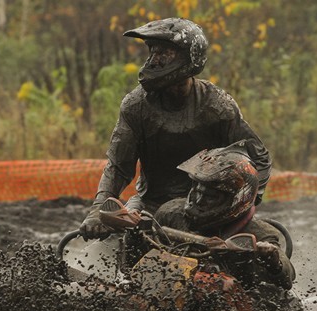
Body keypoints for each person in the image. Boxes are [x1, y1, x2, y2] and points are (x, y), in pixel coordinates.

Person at [80, 18, 272, 239]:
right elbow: (118, 167)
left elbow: (258, 157)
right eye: (152, 52)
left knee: (255, 247)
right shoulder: (136, 106)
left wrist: (241, 205)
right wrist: (97, 211)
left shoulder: (217, 106)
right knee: (113, 245)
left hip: (208, 210)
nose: (153, 61)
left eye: (164, 53)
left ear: (187, 58)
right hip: (149, 206)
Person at [153, 142, 294, 290]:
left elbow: (287, 278)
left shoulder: (260, 234)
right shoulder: (171, 213)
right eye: (197, 191)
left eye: (210, 196)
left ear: (238, 198)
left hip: (236, 302)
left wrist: (272, 260)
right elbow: (140, 259)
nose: (199, 201)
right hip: (170, 291)